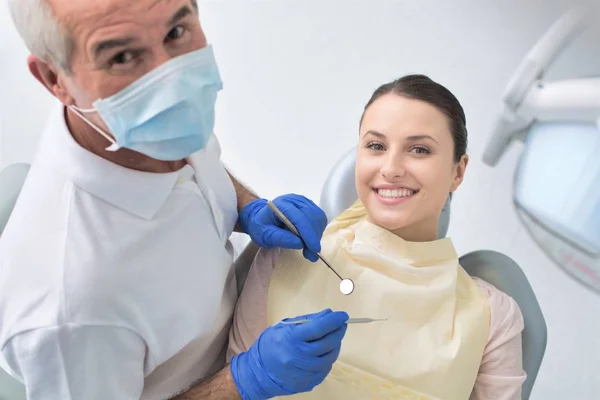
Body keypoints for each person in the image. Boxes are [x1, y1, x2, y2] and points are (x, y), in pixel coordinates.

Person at [0, 0, 349, 399]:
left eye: (176, 33)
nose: (174, 83)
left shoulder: (142, 128)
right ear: (54, 78)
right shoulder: (71, 310)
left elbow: (192, 165)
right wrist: (242, 381)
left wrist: (247, 207)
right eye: (124, 56)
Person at [228, 74, 527, 399]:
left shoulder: (493, 318)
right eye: (376, 146)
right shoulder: (287, 256)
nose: (391, 168)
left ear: (458, 171)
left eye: (419, 149)